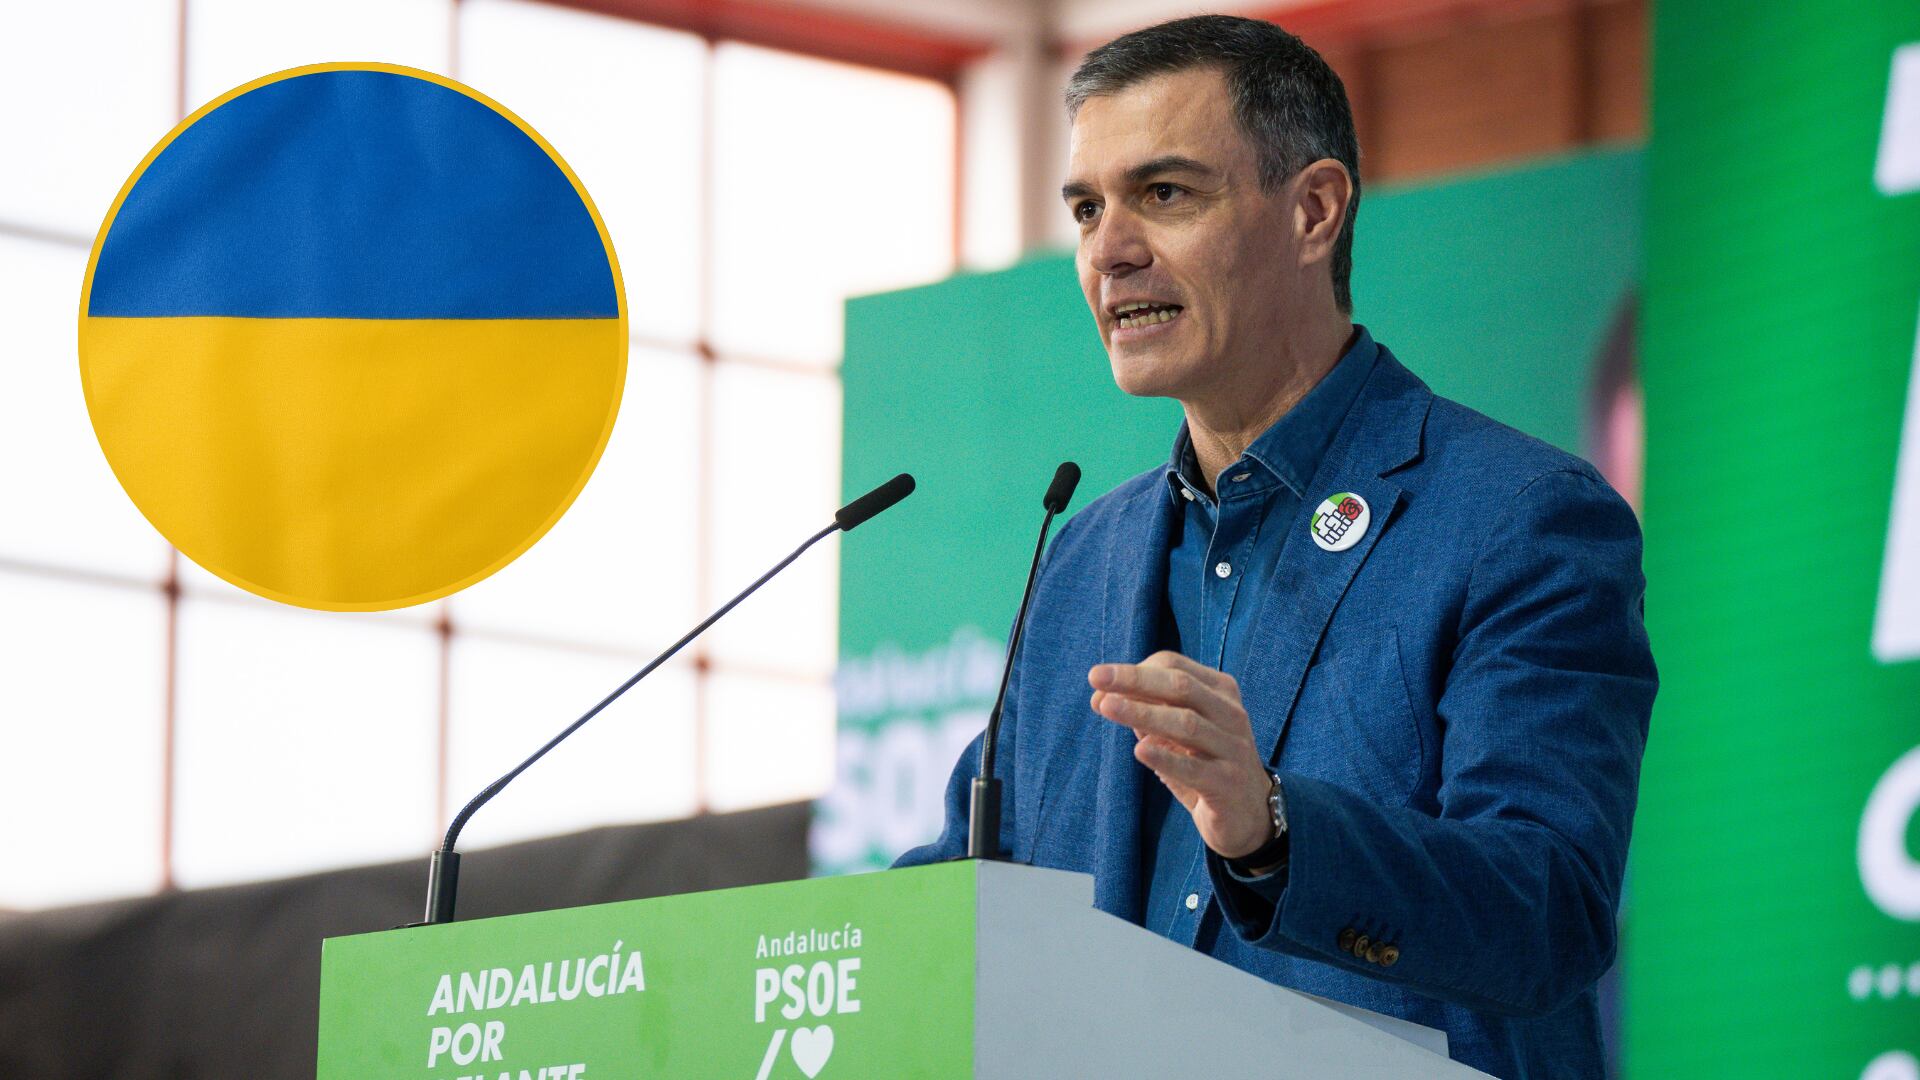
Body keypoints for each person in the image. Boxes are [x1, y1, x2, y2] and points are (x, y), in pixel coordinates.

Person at [894, 14, 1656, 1079]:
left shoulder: (1518, 517)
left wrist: (1273, 831)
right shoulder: (1082, 562)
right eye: (1086, 208)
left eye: (1163, 194)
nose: (1109, 250)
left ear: (1313, 210)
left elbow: (1544, 912)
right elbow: (970, 894)